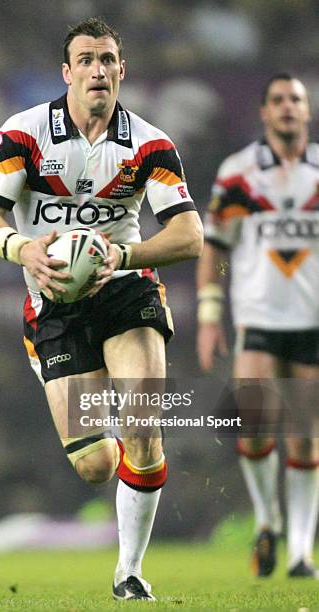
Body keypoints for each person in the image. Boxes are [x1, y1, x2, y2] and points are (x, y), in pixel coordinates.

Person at [0, 17, 203, 601]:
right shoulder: (23, 134)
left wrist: (124, 252)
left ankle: (129, 573)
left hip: (126, 290)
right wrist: (22, 246)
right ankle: (118, 455)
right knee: (96, 465)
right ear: (67, 72)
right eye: (86, 60)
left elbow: (190, 236)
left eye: (108, 60)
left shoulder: (151, 144)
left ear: (122, 70)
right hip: (53, 306)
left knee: (144, 426)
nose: (98, 70)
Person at [197, 73, 319, 578]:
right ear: (264, 113)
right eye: (277, 100)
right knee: (251, 427)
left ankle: (299, 553)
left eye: (295, 99)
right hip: (258, 317)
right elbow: (215, 248)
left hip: (312, 320)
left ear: (307, 111)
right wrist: (209, 315)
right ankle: (268, 520)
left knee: (307, 438)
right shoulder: (239, 174)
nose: (287, 107)